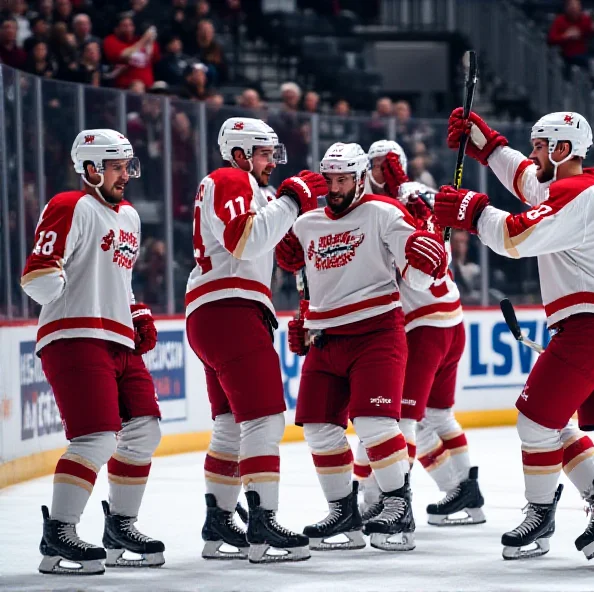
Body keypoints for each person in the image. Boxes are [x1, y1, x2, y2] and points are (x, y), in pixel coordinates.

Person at [434, 108, 594, 566]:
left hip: (593, 326)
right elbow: (531, 182)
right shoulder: (590, 186)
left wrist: (473, 210)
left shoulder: (573, 194)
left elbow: (513, 238)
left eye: (540, 146)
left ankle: (544, 515)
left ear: (562, 150)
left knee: (536, 420)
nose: (533, 154)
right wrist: (488, 146)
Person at [275, 142, 448, 552]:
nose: (334, 188)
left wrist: (430, 259)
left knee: (373, 424)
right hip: (326, 339)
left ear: (360, 178)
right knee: (318, 429)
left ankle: (397, 505)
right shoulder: (307, 223)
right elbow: (307, 279)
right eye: (329, 180)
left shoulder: (384, 213)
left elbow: (417, 277)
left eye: (343, 179)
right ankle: (344, 513)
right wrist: (304, 316)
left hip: (377, 333)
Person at [21, 129, 164, 575]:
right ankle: (59, 532)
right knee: (97, 437)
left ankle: (120, 526)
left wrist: (135, 309)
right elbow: (39, 271)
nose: (126, 175)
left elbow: (118, 279)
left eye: (127, 166)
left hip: (117, 337)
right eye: (117, 167)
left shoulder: (130, 217)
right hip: (73, 334)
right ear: (90, 169)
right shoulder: (71, 204)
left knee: (143, 430)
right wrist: (46, 279)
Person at [186, 118, 324, 563]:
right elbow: (244, 241)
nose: (271, 162)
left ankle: (219, 521)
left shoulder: (251, 188)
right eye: (264, 153)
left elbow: (260, 240)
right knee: (264, 420)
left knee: (230, 424)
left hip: (216, 312)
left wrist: (287, 221)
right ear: (241, 154)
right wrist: (289, 201)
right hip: (230, 310)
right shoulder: (230, 177)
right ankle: (262, 525)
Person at [354, 141, 485, 526]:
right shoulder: (420, 196)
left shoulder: (385, 208)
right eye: (374, 164)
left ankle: (392, 501)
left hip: (424, 325)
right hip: (451, 317)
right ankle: (466, 492)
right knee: (438, 415)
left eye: (383, 164)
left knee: (402, 420)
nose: (378, 169)